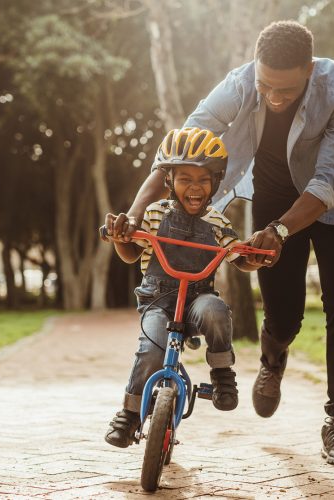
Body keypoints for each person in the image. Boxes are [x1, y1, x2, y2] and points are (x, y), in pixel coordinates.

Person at [113, 21, 334, 465]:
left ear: (309, 70)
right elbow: (181, 149)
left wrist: (281, 232)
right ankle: (274, 357)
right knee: (285, 314)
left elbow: (327, 180)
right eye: (266, 86)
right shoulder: (239, 83)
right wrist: (136, 211)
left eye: (286, 90)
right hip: (273, 194)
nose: (273, 97)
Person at [102, 127, 264, 448]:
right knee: (152, 349)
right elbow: (132, 252)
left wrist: (255, 257)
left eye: (203, 179)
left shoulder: (218, 223)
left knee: (216, 311)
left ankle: (221, 374)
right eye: (185, 178)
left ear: (216, 182)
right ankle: (130, 413)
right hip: (157, 301)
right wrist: (122, 238)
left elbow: (238, 257)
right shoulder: (152, 214)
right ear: (169, 181)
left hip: (196, 301)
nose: (194, 187)